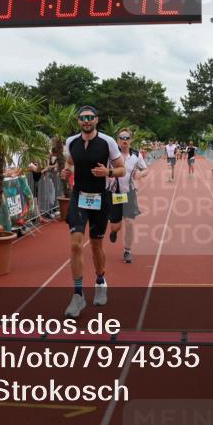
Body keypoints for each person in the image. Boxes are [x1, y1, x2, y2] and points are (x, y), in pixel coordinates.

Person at [60, 106, 124, 318]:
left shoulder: (108, 142)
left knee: (96, 246)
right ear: (78, 121)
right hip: (79, 196)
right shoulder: (71, 142)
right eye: (82, 118)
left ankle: (100, 280)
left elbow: (121, 168)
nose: (86, 121)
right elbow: (70, 162)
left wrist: (108, 171)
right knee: (76, 244)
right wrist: (66, 171)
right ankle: (78, 295)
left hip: (99, 197)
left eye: (90, 117)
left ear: (96, 120)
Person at [107, 128, 147, 264]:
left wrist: (140, 174)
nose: (124, 140)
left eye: (127, 138)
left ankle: (127, 251)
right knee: (116, 226)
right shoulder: (111, 154)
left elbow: (145, 169)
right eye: (121, 138)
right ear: (117, 140)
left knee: (129, 222)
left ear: (131, 140)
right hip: (115, 192)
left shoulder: (136, 154)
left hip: (129, 192)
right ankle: (114, 231)